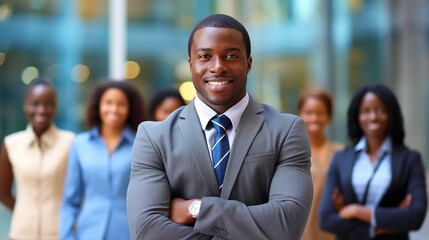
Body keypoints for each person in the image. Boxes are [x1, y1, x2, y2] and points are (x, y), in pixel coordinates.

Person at [127, 13, 313, 239]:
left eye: (231, 56)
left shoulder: (286, 130)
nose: (217, 67)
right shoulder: (154, 137)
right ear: (191, 64)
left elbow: (287, 223)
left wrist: (196, 209)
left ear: (248, 63)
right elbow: (146, 230)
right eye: (205, 56)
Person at [319, 84, 427, 240]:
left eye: (381, 110)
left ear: (391, 114)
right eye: (365, 111)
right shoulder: (341, 158)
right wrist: (384, 226)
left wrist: (356, 211)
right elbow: (326, 219)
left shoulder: (410, 159)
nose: (373, 117)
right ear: (357, 115)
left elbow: (415, 216)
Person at [60, 80, 145, 240]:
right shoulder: (80, 144)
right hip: (88, 232)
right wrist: (67, 236)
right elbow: (70, 201)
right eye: (108, 103)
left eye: (121, 104)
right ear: (98, 106)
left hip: (129, 232)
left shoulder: (141, 145)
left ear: (130, 109)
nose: (114, 109)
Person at [0, 77, 75, 240]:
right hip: (20, 234)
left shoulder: (71, 142)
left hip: (60, 233)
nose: (41, 110)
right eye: (35, 103)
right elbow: (2, 192)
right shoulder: (11, 144)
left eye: (48, 104)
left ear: (55, 107)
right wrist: (23, 211)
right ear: (25, 106)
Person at [298, 87, 343, 240]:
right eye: (308, 113)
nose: (314, 118)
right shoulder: (291, 152)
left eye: (320, 113)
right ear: (299, 114)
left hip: (333, 232)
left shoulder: (341, 153)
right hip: (301, 232)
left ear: (329, 116)